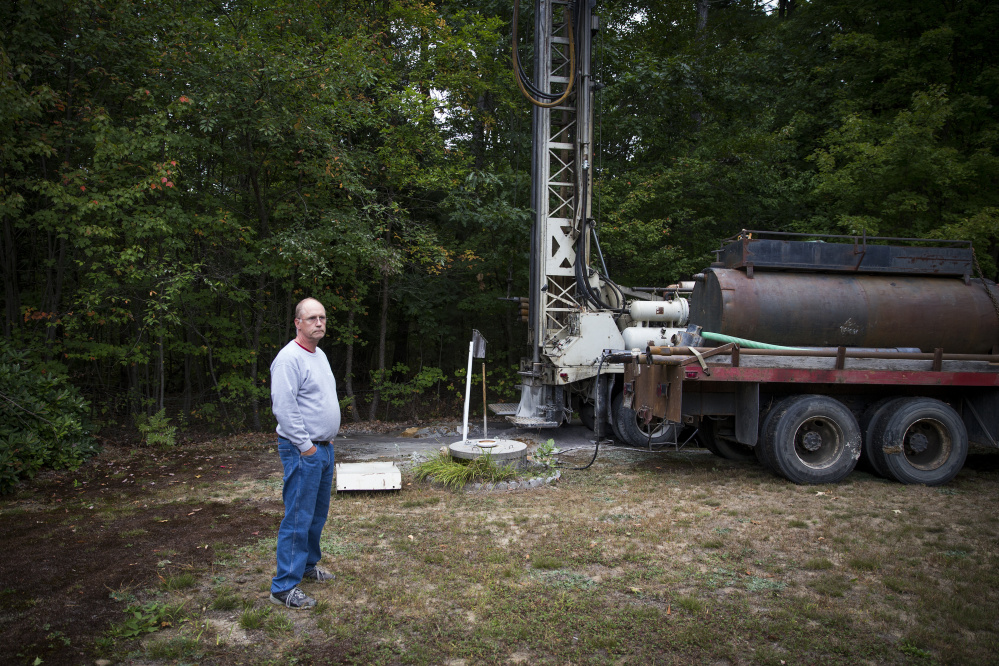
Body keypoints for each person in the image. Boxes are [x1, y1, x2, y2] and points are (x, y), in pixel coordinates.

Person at [268, 297, 341, 609]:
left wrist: (325, 442)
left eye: (322, 317)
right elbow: (285, 409)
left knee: (316, 515)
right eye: (312, 318)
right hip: (303, 450)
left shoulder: (319, 354)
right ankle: (284, 587)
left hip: (323, 449)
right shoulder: (288, 360)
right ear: (297, 322)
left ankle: (308, 566)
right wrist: (307, 446)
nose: (319, 323)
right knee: (298, 517)